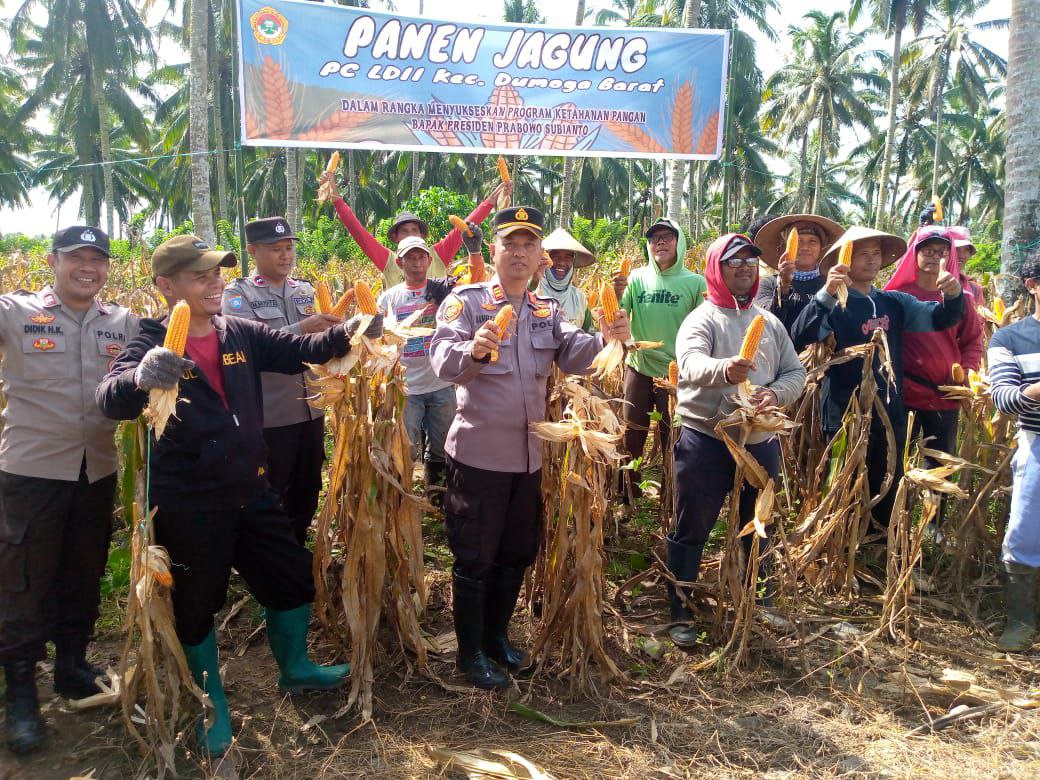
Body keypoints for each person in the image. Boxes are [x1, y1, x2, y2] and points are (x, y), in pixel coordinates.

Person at [96, 235, 377, 757]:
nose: (214, 283)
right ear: (166, 286)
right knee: (196, 603)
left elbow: (299, 350)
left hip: (252, 487)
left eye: (217, 273)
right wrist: (141, 376)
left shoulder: (238, 331)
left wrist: (351, 332)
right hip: (190, 503)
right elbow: (111, 397)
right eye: (200, 275)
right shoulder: (150, 339)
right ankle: (212, 704)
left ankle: (295, 668)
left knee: (291, 577)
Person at [429, 206, 631, 690]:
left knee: (516, 552)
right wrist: (473, 349)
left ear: (540, 255)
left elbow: (577, 355)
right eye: (510, 244)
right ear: (494, 250)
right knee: (475, 556)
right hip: (479, 456)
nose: (519, 253)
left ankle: (496, 639)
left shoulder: (546, 311)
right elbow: (441, 360)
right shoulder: (467, 303)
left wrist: (607, 339)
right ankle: (470, 654)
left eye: (528, 244)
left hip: (528, 458)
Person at [0, 226, 138, 755]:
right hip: (31, 472)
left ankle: (72, 665)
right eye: (76, 258)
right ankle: (20, 694)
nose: (88, 268)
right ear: (52, 261)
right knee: (24, 581)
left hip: (95, 471)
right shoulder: (16, 312)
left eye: (97, 259)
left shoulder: (122, 322)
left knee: (83, 570)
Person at [667, 234, 806, 647]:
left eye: (750, 260)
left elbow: (795, 373)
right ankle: (680, 608)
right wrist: (726, 370)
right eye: (734, 261)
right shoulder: (702, 319)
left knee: (758, 522)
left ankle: (758, 598)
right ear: (717, 268)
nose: (745, 267)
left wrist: (774, 394)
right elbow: (690, 363)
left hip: (760, 439)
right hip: (708, 437)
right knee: (693, 523)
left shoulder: (770, 323)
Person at [791, 226, 966, 531]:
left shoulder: (894, 302)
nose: (871, 260)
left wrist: (953, 295)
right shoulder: (834, 304)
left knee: (886, 481)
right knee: (845, 482)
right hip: (845, 411)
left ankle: (880, 542)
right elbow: (800, 336)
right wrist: (826, 294)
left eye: (876, 254)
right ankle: (841, 542)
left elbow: (942, 318)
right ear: (844, 260)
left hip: (889, 410)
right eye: (862, 254)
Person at [221, 217, 340, 544]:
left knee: (308, 486)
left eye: (288, 248)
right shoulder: (238, 295)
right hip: (271, 415)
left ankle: (297, 546)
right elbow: (245, 346)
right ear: (252, 251)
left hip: (312, 409)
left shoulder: (305, 290)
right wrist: (303, 329)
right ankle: (271, 555)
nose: (285, 255)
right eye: (276, 249)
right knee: (271, 489)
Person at [377, 229, 482, 502]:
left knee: (442, 444)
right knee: (406, 446)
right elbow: (375, 338)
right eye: (410, 258)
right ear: (399, 263)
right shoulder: (389, 298)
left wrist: (474, 252)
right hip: (406, 388)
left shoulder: (444, 291)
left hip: (441, 384)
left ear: (428, 260)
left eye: (421, 257)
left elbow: (476, 282)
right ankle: (401, 498)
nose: (416, 263)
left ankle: (437, 496)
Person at [613, 218, 707, 496]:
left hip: (676, 373)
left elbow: (703, 327)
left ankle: (672, 497)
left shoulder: (695, 282)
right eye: (654, 238)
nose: (660, 242)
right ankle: (627, 495)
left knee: (673, 437)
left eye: (667, 237)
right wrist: (617, 293)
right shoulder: (636, 279)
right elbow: (618, 316)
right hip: (639, 366)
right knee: (631, 433)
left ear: (680, 242)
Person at [884, 225, 984, 463]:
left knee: (940, 467)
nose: (935, 257)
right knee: (894, 465)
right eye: (928, 251)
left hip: (945, 395)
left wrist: (966, 374)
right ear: (915, 254)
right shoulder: (894, 296)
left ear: (951, 257)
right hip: (902, 395)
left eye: (942, 252)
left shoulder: (962, 298)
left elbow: (972, 341)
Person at [319, 172, 511, 287]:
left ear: (422, 236)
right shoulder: (389, 261)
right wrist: (335, 195)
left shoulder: (437, 255)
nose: (411, 234)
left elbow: (465, 225)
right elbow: (358, 231)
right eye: (405, 231)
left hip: (437, 335)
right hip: (399, 336)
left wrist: (491, 201)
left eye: (415, 230)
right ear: (395, 238)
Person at [988, 256, 1040, 650]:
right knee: (1025, 530)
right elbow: (1004, 398)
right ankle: (1021, 621)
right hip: (1037, 443)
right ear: (1032, 284)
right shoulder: (1009, 339)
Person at [753, 214, 844, 334]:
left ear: (821, 248)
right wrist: (783, 285)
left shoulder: (831, 285)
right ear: (786, 246)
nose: (805, 247)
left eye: (812, 241)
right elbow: (767, 323)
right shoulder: (768, 284)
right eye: (799, 241)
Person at [538, 228, 596, 332]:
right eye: (555, 256)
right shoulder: (533, 292)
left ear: (573, 261)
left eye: (567, 257)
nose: (561, 262)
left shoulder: (579, 299)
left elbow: (590, 334)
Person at [948, 226, 985, 301]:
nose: (962, 255)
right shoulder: (930, 281)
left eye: (966, 250)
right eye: (956, 249)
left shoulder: (974, 288)